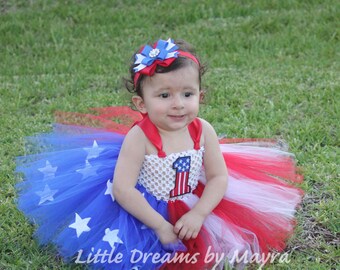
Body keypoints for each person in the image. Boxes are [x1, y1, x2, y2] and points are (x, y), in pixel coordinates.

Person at [16, 38, 303, 270]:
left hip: (193, 196)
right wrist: (160, 225)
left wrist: (200, 213)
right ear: (141, 104)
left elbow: (218, 177)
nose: (178, 104)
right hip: (147, 207)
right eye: (164, 96)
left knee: (212, 244)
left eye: (187, 94)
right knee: (143, 255)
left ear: (200, 96)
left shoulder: (204, 131)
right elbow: (123, 189)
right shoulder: (138, 138)